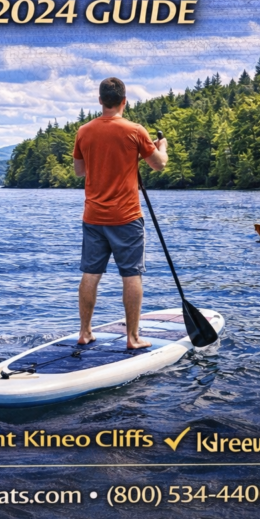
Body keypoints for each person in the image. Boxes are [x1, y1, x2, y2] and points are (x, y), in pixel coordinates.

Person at [73, 77, 168, 349]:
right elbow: (158, 165)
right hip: (126, 217)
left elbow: (81, 171)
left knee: (91, 274)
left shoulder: (84, 131)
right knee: (131, 275)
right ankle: (133, 337)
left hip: (93, 217)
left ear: (100, 101)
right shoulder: (135, 131)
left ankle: (85, 332)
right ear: (124, 101)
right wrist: (162, 147)